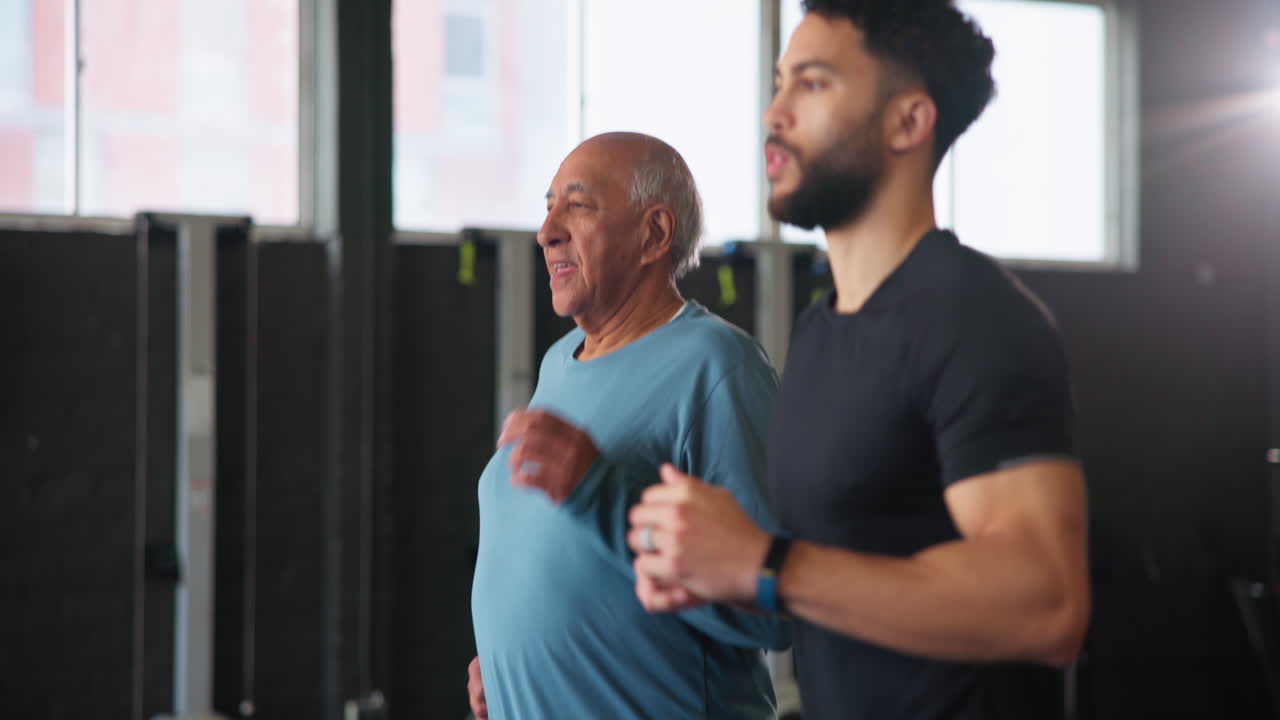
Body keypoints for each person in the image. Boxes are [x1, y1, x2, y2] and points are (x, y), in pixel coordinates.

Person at [626, 3, 1091, 719]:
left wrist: (765, 562)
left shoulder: (976, 317)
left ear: (908, 122)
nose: (774, 113)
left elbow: (1047, 601)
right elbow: (844, 575)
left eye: (812, 85)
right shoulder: (821, 331)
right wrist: (726, 572)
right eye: (780, 82)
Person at [467, 132, 790, 720]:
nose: (547, 232)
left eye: (578, 205)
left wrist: (602, 492)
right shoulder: (558, 364)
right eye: (548, 207)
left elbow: (778, 606)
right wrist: (513, 661)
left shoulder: (717, 366)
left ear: (654, 235)